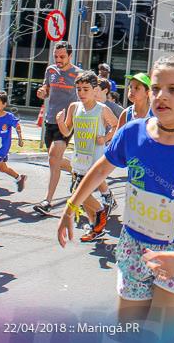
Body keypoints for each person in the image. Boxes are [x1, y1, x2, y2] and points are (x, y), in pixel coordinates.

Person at [56, 33, 174, 341]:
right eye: (156, 88)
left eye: (172, 89)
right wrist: (71, 206)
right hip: (132, 247)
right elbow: (103, 168)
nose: (160, 96)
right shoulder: (132, 132)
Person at [56, 71, 118, 242]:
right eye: (79, 89)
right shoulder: (74, 107)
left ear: (95, 89)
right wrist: (61, 122)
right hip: (79, 157)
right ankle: (95, 228)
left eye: (86, 89)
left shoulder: (102, 109)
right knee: (81, 198)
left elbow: (116, 125)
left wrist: (105, 138)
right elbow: (67, 131)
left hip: (95, 160)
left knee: (77, 192)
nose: (81, 93)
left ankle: (100, 212)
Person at [34, 41, 81, 215]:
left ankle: (48, 200)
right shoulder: (50, 71)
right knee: (55, 159)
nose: (59, 60)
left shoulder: (78, 74)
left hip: (66, 122)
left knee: (54, 157)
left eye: (62, 57)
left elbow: (83, 98)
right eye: (56, 56)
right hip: (50, 120)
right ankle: (77, 173)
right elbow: (45, 89)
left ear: (70, 56)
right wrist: (42, 92)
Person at [0, 91, 27, 201]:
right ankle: (19, 178)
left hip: (3, 147)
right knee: (3, 168)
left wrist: (20, 138)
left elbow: (17, 126)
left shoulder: (8, 117)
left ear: (4, 105)